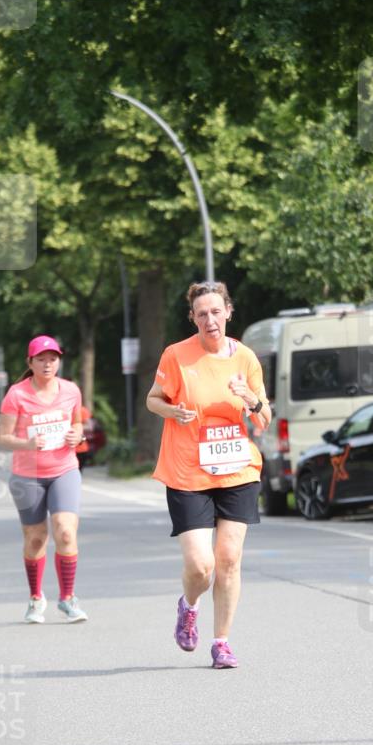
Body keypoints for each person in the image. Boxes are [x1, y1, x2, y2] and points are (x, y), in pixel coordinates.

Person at [146, 281, 271, 669]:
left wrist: (249, 399)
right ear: (193, 318)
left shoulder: (246, 358)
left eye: (216, 311)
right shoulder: (176, 356)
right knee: (202, 566)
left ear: (228, 312)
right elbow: (153, 399)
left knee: (229, 559)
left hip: (237, 470)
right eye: (202, 314)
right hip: (188, 473)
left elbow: (263, 420)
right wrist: (173, 411)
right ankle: (189, 605)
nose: (210, 319)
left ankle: (221, 643)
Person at [0, 335, 88, 625]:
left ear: (59, 361)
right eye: (41, 359)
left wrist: (78, 434)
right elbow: (3, 437)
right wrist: (26, 444)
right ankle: (36, 598)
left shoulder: (71, 390)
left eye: (53, 358)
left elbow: (76, 424)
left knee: (65, 532)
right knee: (35, 538)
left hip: (64, 469)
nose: (48, 364)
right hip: (28, 476)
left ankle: (68, 598)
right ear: (30, 362)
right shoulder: (16, 394)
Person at [76, 405, 107, 471]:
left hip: (80, 449)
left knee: (77, 473)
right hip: (63, 450)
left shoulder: (82, 410)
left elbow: (90, 426)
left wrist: (74, 427)